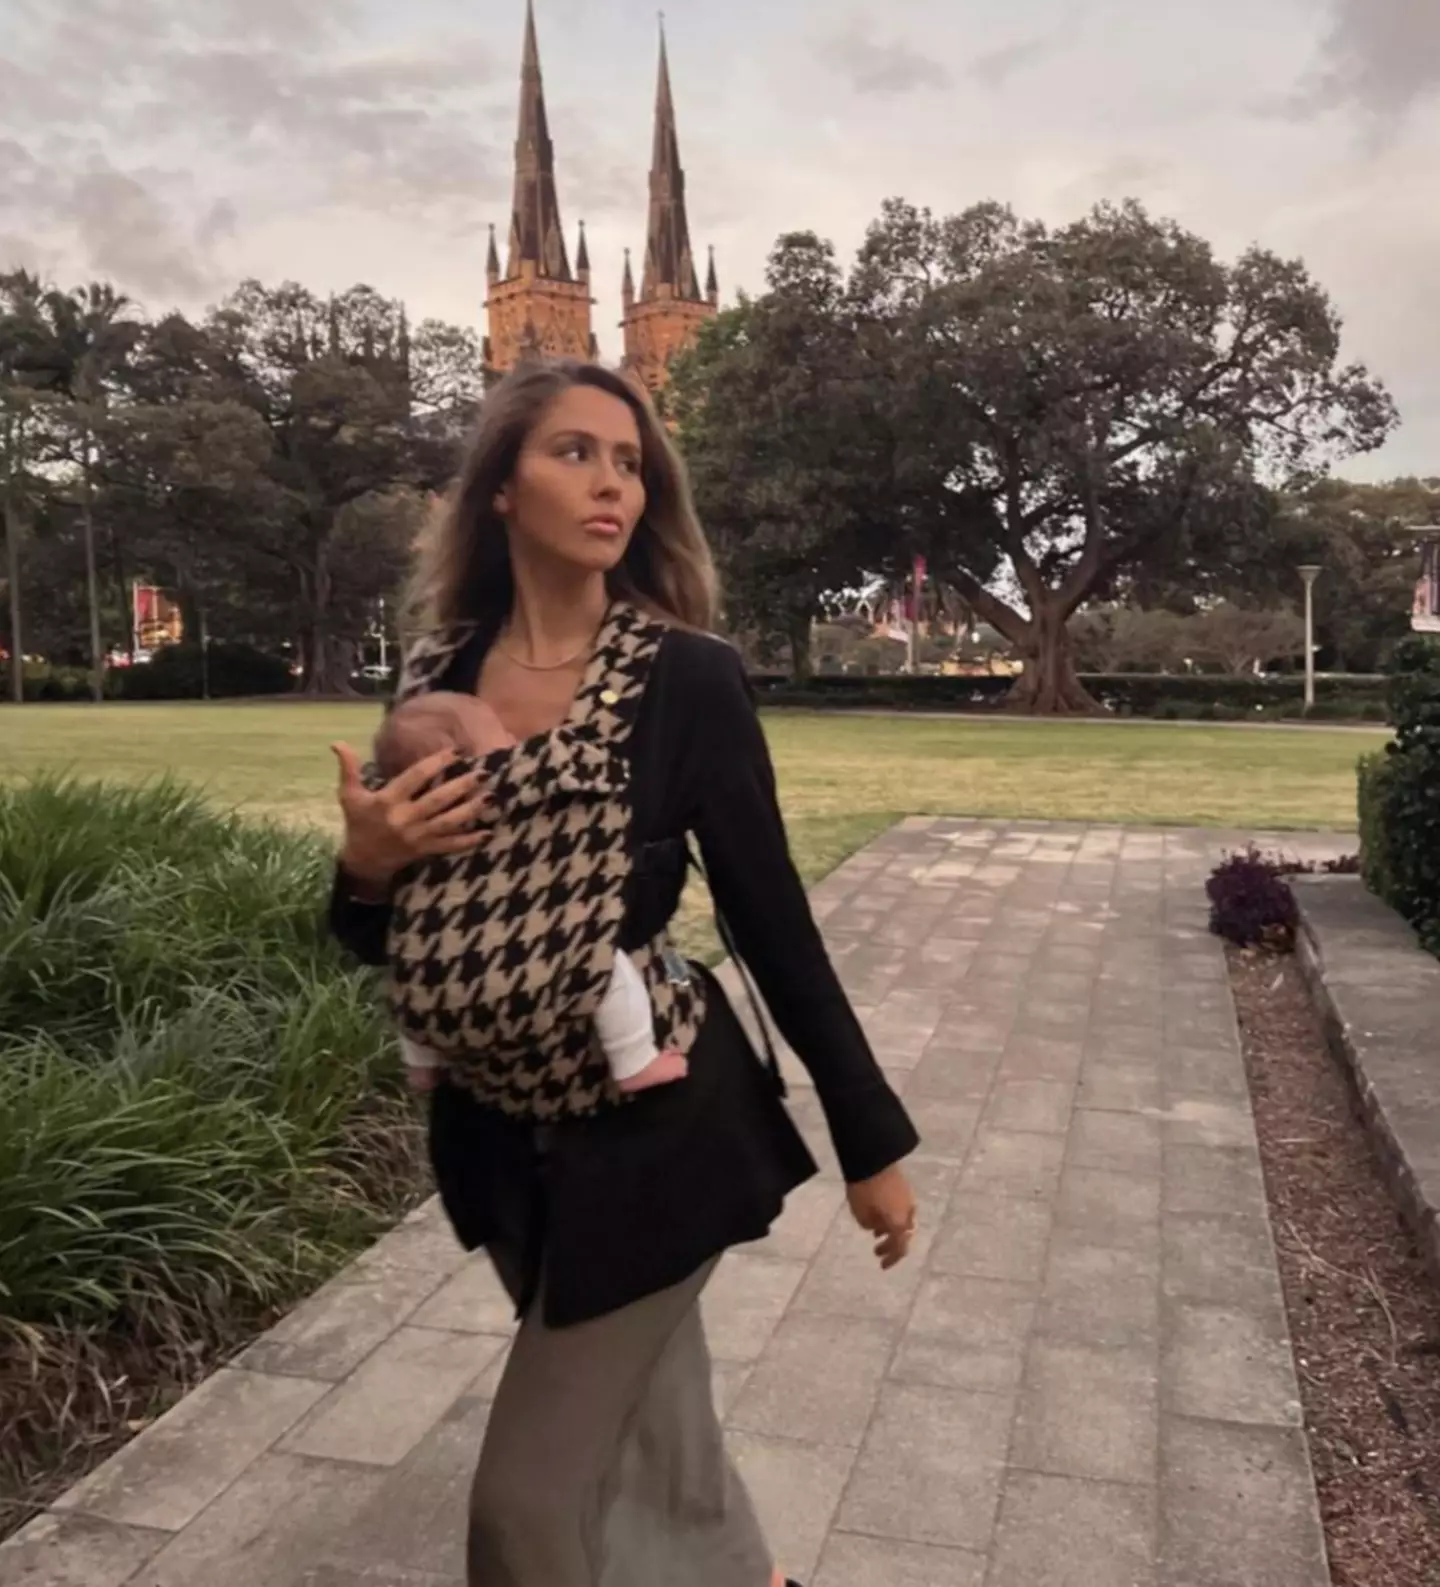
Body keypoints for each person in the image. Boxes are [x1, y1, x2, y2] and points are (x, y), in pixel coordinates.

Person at [328, 358, 920, 1587]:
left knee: (524, 1509)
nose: (612, 485)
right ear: (500, 488)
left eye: (631, 463)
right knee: (661, 1446)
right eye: (575, 454)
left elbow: (772, 920)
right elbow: (402, 939)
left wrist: (870, 1139)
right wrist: (367, 869)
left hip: (657, 1135)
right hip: (497, 1140)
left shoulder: (685, 678)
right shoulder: (435, 680)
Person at [372, 689, 689, 1094]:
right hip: (529, 952)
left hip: (441, 950)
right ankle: (635, 1061)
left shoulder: (408, 813)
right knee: (606, 965)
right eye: (501, 733)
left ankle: (421, 1066)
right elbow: (582, 766)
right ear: (464, 761)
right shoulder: (512, 785)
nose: (513, 741)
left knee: (411, 971)